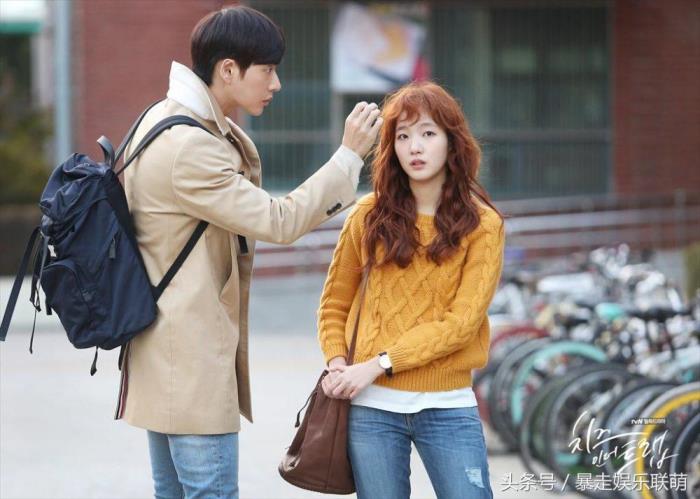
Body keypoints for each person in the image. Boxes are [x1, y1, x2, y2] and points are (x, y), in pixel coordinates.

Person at [115, 6, 382, 498]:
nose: (275, 84)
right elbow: (279, 221)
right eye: (268, 70)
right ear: (228, 69)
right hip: (189, 361)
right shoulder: (189, 145)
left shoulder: (161, 118)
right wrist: (348, 157)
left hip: (161, 349)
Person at [317, 81, 504, 499]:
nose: (414, 147)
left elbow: (460, 324)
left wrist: (379, 363)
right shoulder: (367, 215)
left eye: (427, 133)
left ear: (452, 142)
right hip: (371, 409)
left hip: (447, 405)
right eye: (402, 136)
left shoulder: (483, 226)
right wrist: (337, 365)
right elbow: (334, 305)